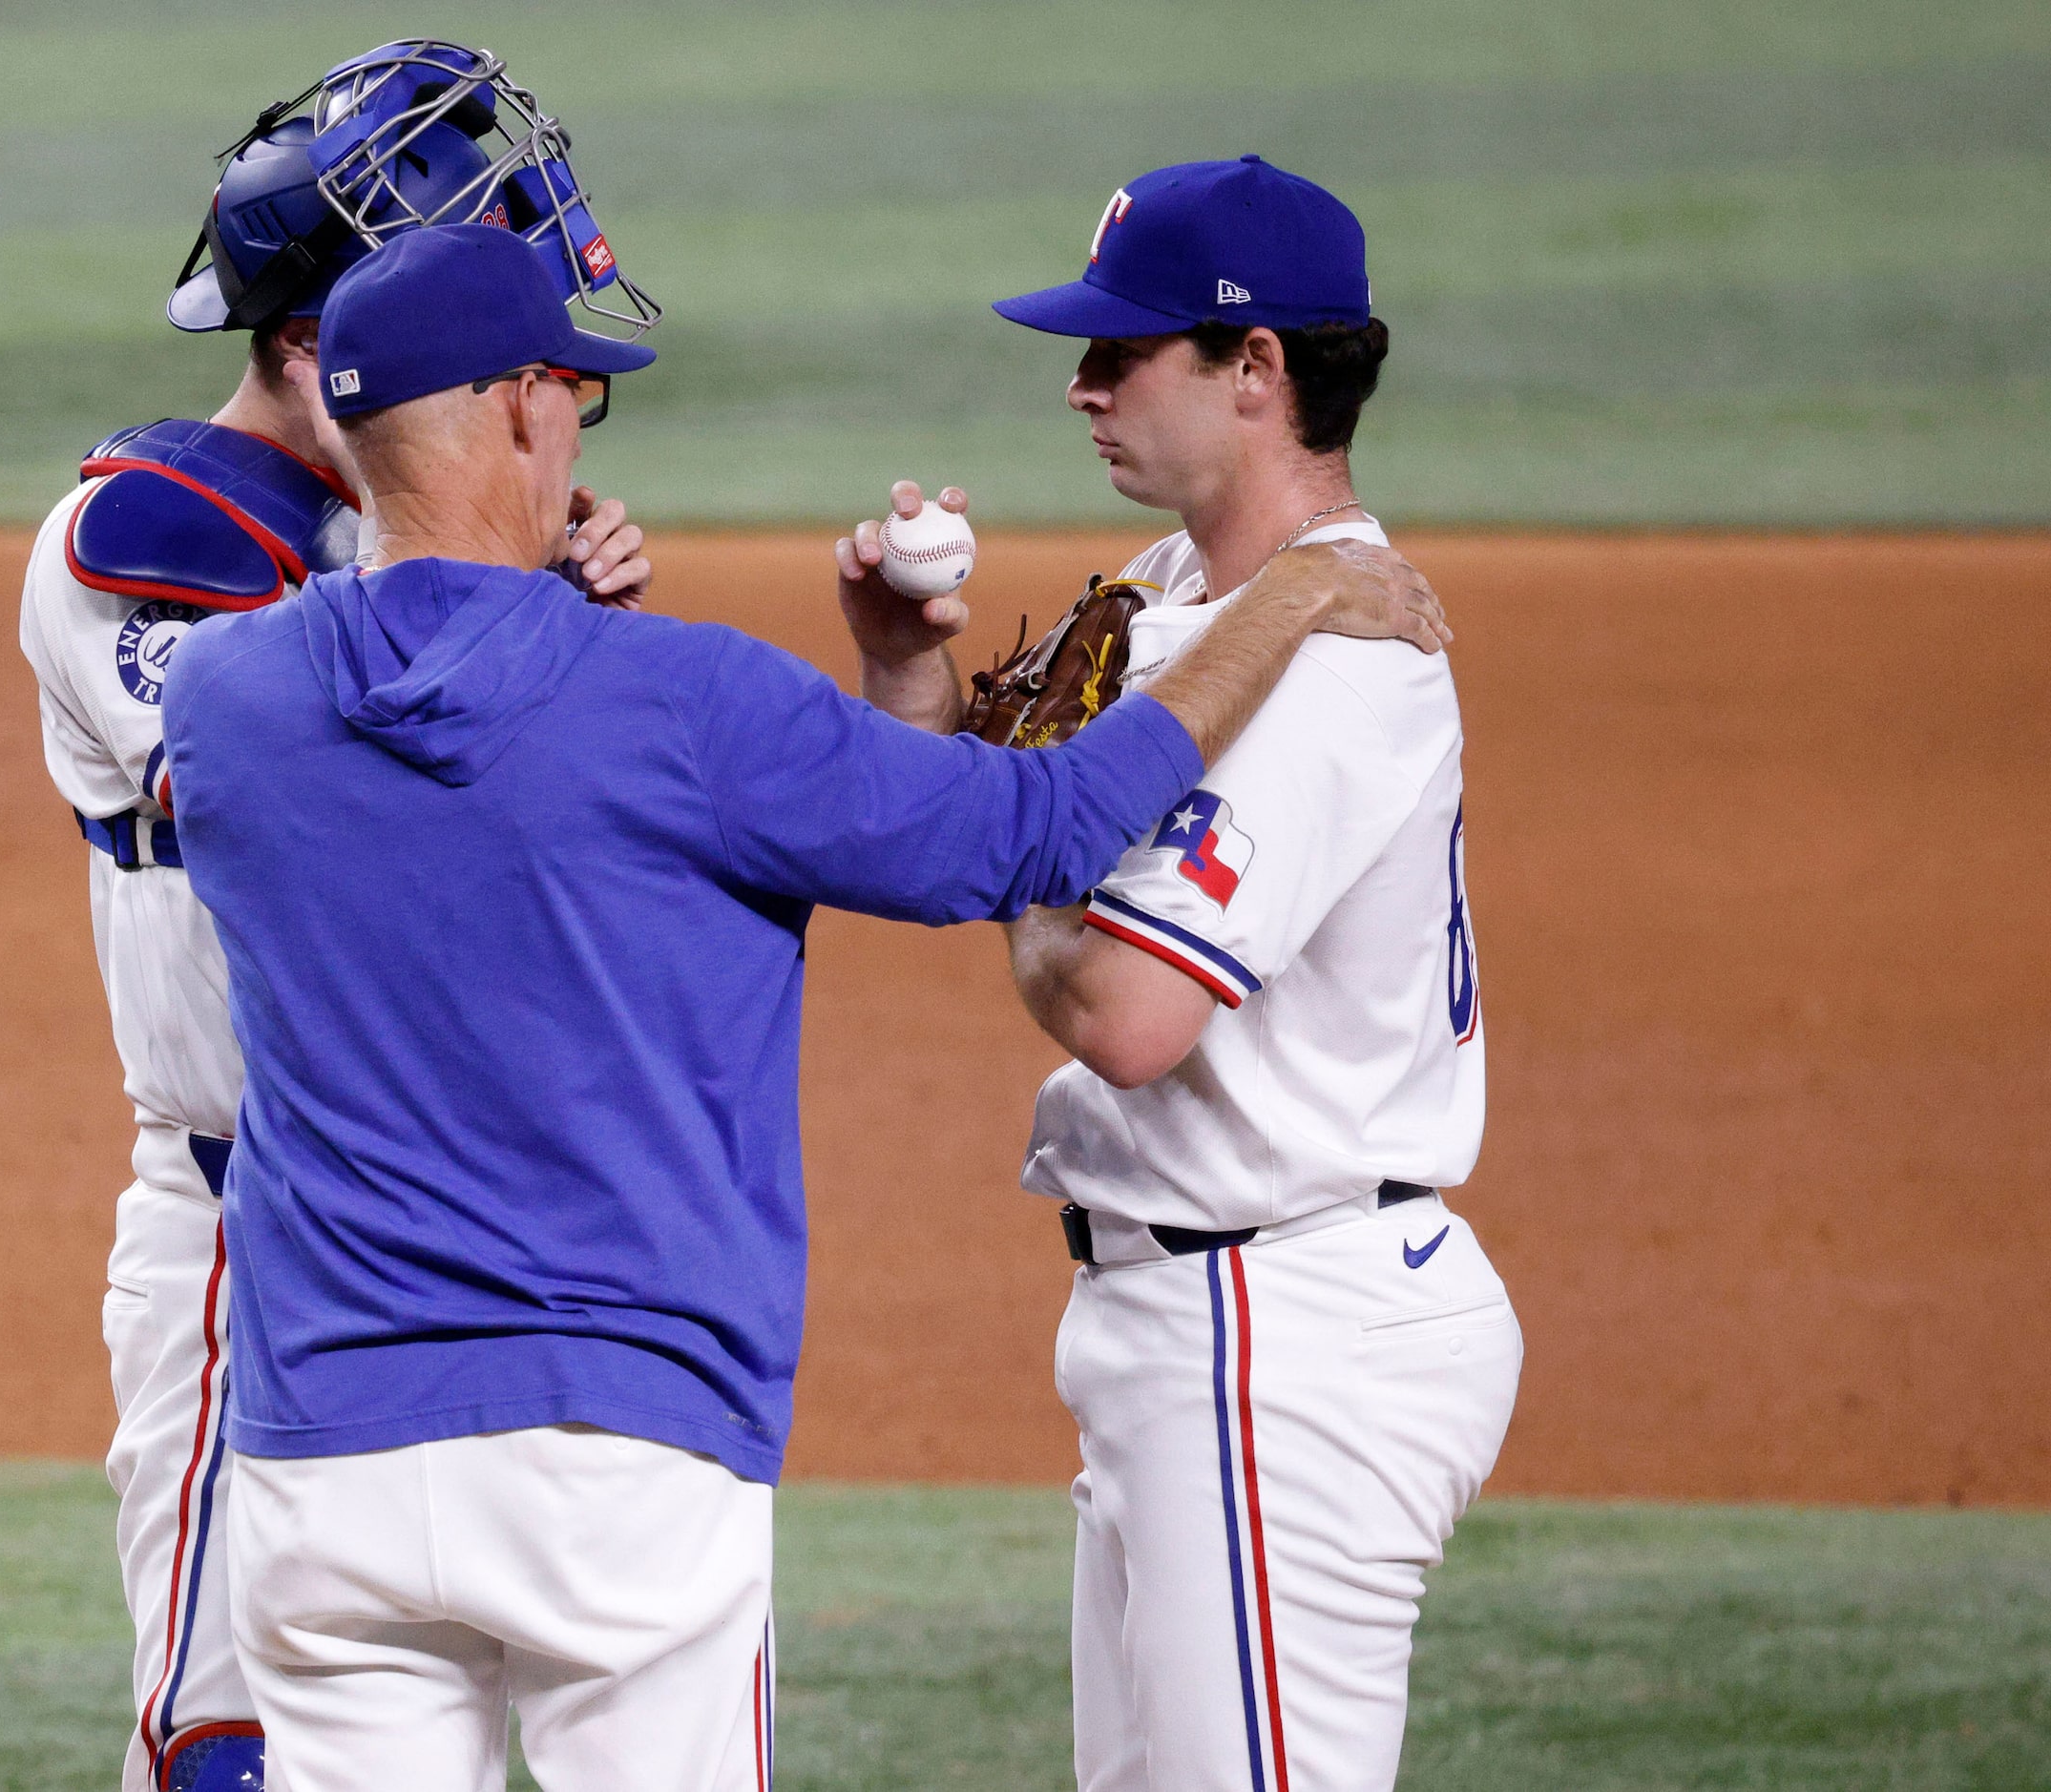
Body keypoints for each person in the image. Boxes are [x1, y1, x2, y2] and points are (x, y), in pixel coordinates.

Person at [157, 219, 1448, 1792]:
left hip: (324, 1452)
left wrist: (529, 603)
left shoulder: (227, 707)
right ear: (515, 407)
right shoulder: (689, 702)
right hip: (615, 1455)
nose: (577, 424)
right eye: (575, 392)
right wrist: (1285, 607)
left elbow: (444, 735)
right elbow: (1023, 836)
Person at [14, 42, 655, 1792]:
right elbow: (320, 780)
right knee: (242, 1746)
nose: (538, 391)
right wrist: (508, 604)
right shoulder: (144, 538)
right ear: (306, 347)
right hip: (261, 1229)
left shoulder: (447, 548)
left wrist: (548, 615)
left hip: (492, 1236)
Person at [852, 155, 1521, 1791]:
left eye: (1126, 349)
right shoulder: (1178, 605)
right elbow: (952, 842)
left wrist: (1033, 852)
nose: (1079, 383)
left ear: (1256, 368)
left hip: (1280, 1325)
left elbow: (1125, 1010)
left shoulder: (1335, 649)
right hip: (1198, 1315)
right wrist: (904, 671)